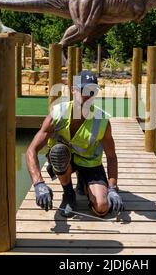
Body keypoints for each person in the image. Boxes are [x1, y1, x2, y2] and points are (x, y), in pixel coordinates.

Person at [25, 70, 124, 218]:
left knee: (102, 207)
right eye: (83, 89)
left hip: (90, 164)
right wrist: (39, 184)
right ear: (73, 90)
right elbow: (31, 150)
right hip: (64, 161)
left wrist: (112, 188)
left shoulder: (102, 120)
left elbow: (111, 156)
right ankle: (69, 193)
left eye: (93, 91)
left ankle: (84, 183)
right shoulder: (58, 114)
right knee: (58, 151)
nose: (88, 95)